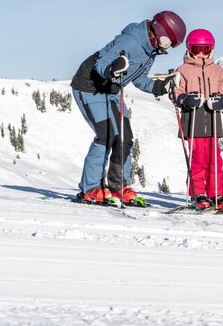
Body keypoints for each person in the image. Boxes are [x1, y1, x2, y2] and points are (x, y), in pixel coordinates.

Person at [70, 11, 186, 206]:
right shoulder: (131, 41)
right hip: (90, 86)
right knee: (105, 136)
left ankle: (117, 187)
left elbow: (139, 77)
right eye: (169, 43)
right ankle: (90, 189)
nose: (167, 48)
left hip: (112, 90)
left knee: (124, 137)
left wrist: (158, 87)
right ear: (160, 34)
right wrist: (112, 69)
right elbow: (102, 64)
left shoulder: (150, 50)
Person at [173, 28, 223, 211]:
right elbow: (176, 91)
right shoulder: (183, 70)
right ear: (189, 49)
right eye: (196, 49)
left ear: (211, 49)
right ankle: (197, 193)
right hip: (193, 119)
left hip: (213, 118)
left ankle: (217, 193)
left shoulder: (217, 70)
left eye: (205, 49)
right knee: (198, 159)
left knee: (215, 159)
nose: (200, 54)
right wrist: (185, 99)